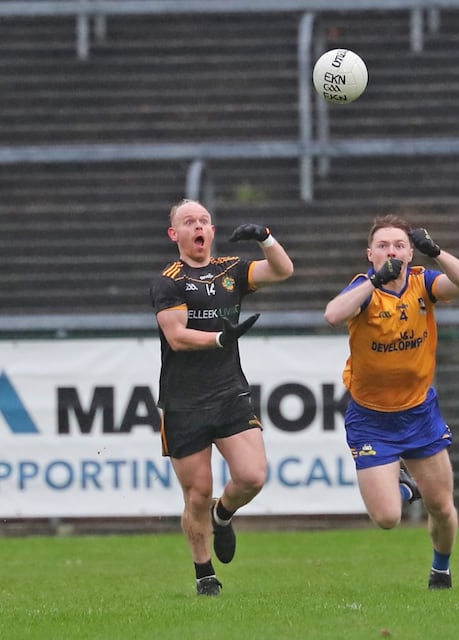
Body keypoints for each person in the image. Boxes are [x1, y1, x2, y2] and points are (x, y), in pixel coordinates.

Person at [149, 199, 294, 596]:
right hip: (183, 404)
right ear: (174, 234)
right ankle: (204, 574)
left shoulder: (231, 269)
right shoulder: (169, 280)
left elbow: (283, 270)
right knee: (196, 493)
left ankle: (223, 515)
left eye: (204, 220)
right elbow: (177, 337)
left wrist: (266, 239)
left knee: (252, 475)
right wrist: (219, 337)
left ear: (212, 232)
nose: (198, 226)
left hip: (229, 394)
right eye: (188, 221)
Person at [324, 214, 459, 590]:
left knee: (442, 507)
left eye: (399, 245)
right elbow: (333, 314)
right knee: (388, 517)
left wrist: (436, 251)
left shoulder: (423, 282)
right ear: (370, 254)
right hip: (372, 418)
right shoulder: (364, 288)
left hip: (420, 412)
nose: (391, 251)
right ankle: (406, 486)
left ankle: (441, 570)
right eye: (383, 245)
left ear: (410, 252)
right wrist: (375, 280)